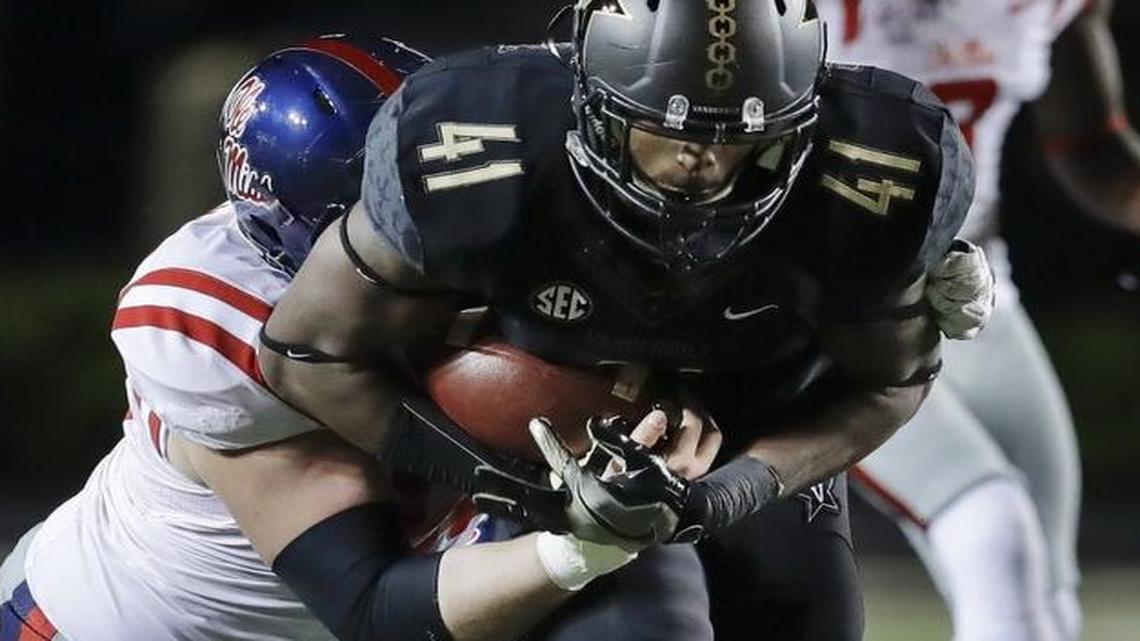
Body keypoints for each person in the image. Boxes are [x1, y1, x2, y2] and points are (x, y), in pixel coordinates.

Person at [256, 2, 981, 640]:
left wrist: (727, 494)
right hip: (558, 437)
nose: (704, 161)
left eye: (739, 137)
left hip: (765, 422)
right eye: (667, 130)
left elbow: (889, 384)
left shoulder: (873, 170)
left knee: (802, 617)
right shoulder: (477, 143)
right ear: (592, 104)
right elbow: (306, 353)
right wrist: (512, 481)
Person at [0, 35, 687, 641]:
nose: (434, 220)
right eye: (389, 213)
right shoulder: (228, 328)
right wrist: (581, 548)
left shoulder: (481, 196)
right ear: (308, 239)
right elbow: (372, 603)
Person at [815, 1, 1140, 639]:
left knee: (1044, 587)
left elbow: (1091, 146)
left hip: (977, 288)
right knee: (990, 526)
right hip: (837, 306)